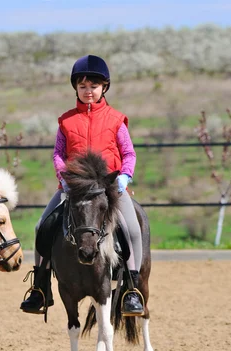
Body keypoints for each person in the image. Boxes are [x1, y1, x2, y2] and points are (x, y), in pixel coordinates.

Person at [20, 55, 145, 316]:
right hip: (73, 189)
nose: (88, 91)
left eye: (94, 86)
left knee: (132, 229)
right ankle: (40, 288)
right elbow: (58, 153)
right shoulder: (66, 121)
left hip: (109, 189)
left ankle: (132, 289)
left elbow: (129, 154)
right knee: (41, 226)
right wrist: (64, 177)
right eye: (83, 86)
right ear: (76, 88)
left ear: (104, 88)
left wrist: (124, 177)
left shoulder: (116, 119)